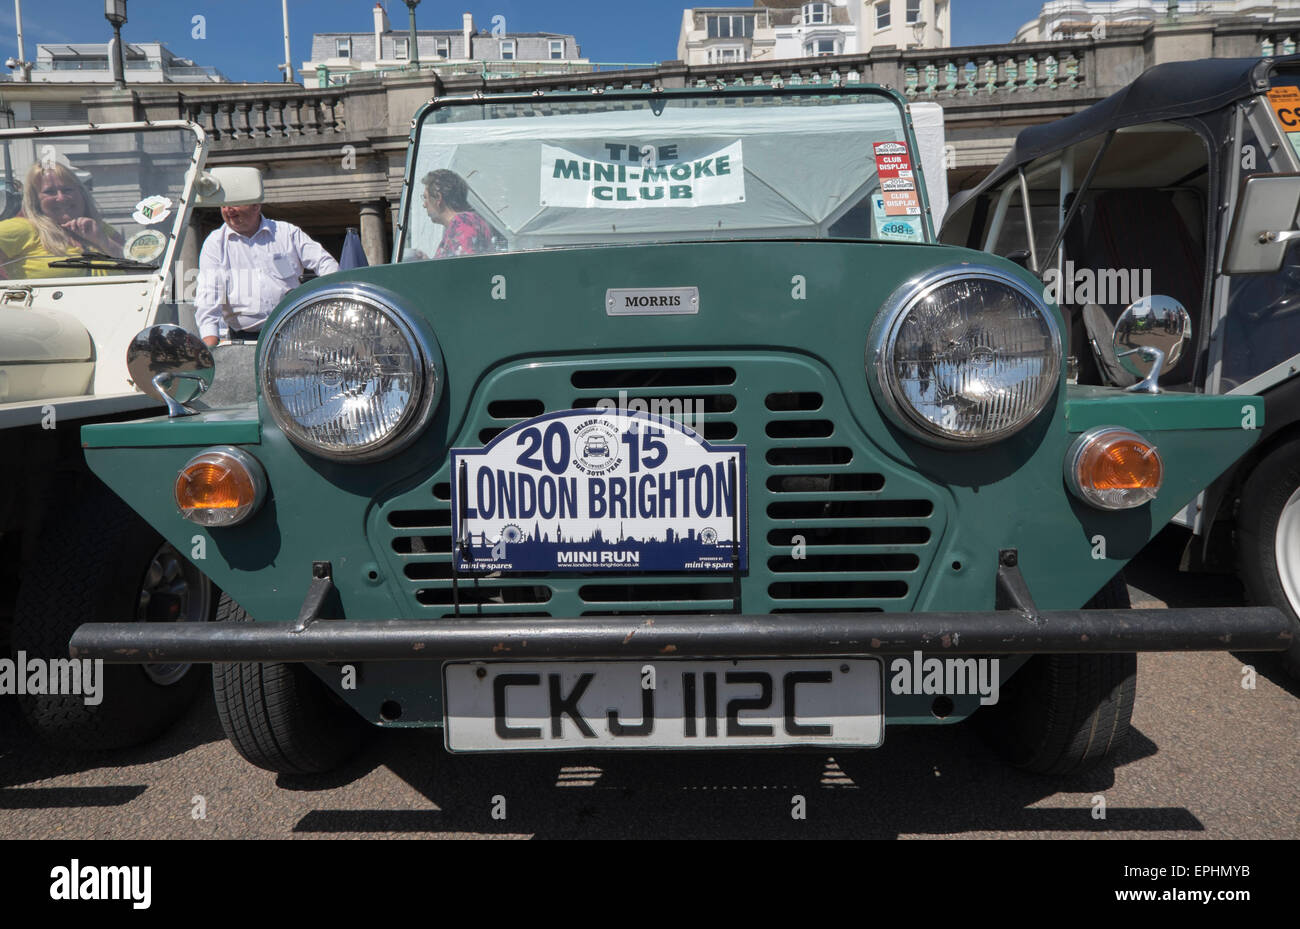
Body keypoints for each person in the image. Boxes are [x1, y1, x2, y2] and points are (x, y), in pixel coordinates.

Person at [195, 199, 339, 347]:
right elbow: (208, 295)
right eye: (223, 205)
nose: (228, 210)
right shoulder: (215, 243)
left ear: (256, 206)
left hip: (295, 333)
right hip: (247, 341)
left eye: (234, 204)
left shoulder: (287, 232)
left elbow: (326, 264)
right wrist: (210, 344)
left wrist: (334, 309)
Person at [0, 161, 122, 279]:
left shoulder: (100, 228)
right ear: (35, 200)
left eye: (67, 190)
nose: (61, 198)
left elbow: (136, 269)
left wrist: (103, 240)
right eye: (50, 192)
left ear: (81, 192)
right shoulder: (21, 228)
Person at [406, 169, 493, 260]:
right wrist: (428, 262)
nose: (424, 205)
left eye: (425, 198)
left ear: (438, 198)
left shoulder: (463, 223)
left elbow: (462, 268)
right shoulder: (466, 221)